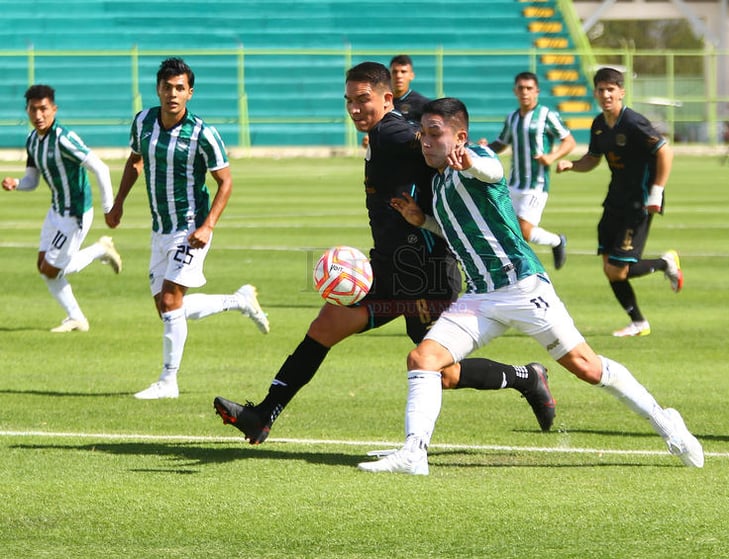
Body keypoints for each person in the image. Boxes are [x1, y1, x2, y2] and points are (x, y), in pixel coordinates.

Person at [212, 61, 556, 444]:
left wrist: (468, 160)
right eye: (349, 101)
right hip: (390, 266)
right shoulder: (380, 134)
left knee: (444, 373)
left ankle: (526, 376)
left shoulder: (395, 133)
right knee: (325, 327)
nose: (355, 108)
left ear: (387, 98)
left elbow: (431, 144)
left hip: (427, 271)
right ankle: (263, 415)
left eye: (364, 100)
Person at [358, 97, 704, 475]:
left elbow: (492, 170)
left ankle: (665, 421)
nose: (425, 141)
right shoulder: (439, 184)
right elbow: (456, 232)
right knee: (423, 360)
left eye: (435, 134)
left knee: (587, 368)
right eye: (422, 134)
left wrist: (471, 160)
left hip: (523, 288)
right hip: (479, 297)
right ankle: (414, 453)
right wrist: (422, 220)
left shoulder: (475, 160)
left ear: (460, 137)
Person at [105, 57, 270, 400]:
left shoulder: (202, 133)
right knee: (168, 309)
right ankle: (238, 301)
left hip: (191, 227)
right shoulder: (143, 121)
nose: (173, 94)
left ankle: (168, 382)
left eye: (180, 88)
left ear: (190, 93)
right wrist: (118, 201)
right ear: (158, 89)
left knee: (169, 301)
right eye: (167, 87)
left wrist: (208, 225)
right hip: (160, 228)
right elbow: (135, 161)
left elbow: (225, 182)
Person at [555, 67, 682, 338]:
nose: (606, 95)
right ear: (595, 93)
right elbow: (593, 158)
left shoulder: (634, 122)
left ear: (621, 92)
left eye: (611, 90)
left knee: (618, 268)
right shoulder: (599, 125)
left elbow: (665, 152)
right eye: (601, 90)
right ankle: (638, 322)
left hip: (640, 202)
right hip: (615, 199)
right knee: (609, 267)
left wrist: (657, 191)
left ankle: (664, 264)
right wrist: (572, 166)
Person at [2, 84, 122, 333]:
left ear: (54, 110)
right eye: (33, 110)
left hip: (76, 213)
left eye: (44, 109)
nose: (39, 115)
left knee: (50, 269)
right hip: (56, 211)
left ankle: (100, 250)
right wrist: (16, 184)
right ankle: (76, 318)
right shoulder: (33, 141)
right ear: (27, 111)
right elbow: (32, 181)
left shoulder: (64, 139)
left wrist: (109, 209)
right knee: (44, 267)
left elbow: (100, 168)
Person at [482, 71, 575, 270]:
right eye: (521, 88)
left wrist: (551, 157)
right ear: (515, 91)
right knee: (506, 231)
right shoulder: (512, 118)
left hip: (536, 184)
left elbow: (569, 141)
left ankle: (557, 241)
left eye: (529, 88)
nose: (525, 92)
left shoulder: (547, 115)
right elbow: (501, 143)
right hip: (514, 183)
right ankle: (512, 271)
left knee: (524, 230)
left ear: (537, 91)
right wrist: (484, 148)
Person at [389, 54, 430, 124]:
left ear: (412, 76)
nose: (398, 76)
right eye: (395, 72)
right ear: (389, 75)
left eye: (403, 72)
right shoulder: (382, 101)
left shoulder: (422, 104)